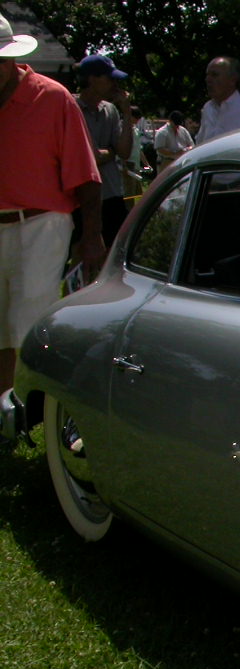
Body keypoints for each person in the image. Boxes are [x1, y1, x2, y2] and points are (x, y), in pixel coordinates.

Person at [0, 12, 103, 394]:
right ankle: (7, 412)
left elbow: (86, 178)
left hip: (42, 223)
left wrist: (91, 237)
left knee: (27, 320)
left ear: (11, 58)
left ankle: (28, 407)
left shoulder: (52, 98)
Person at [75, 54, 133, 247]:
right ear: (92, 79)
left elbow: (124, 151)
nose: (115, 84)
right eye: (110, 78)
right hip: (80, 198)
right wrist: (111, 151)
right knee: (79, 254)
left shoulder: (111, 110)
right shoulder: (71, 108)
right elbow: (91, 158)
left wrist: (126, 112)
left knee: (114, 253)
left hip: (111, 194)